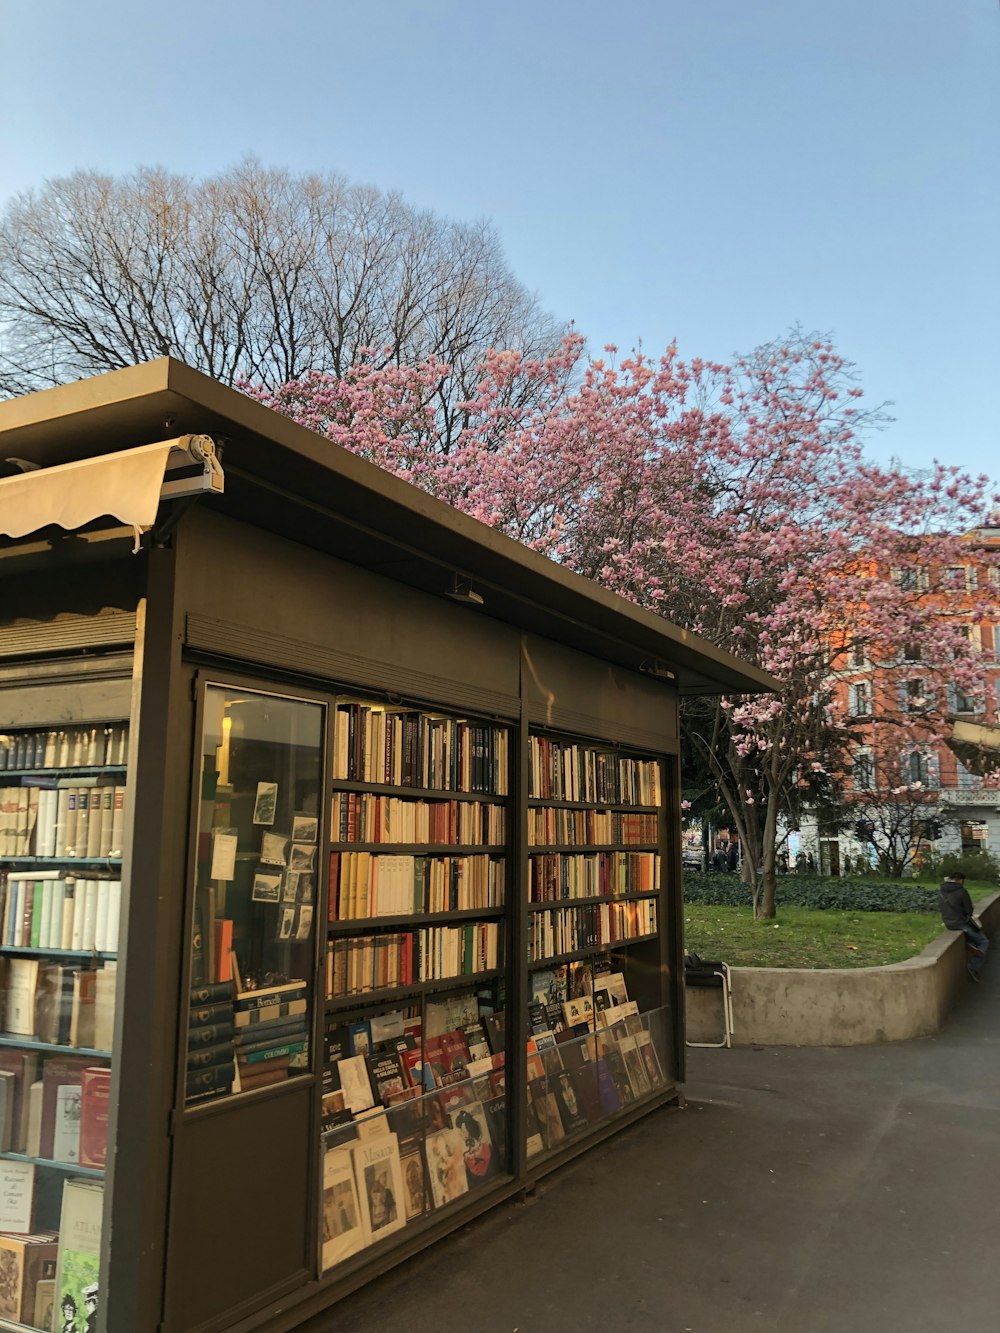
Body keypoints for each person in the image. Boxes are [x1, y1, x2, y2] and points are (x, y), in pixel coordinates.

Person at [939, 870, 988, 979]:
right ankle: (973, 966)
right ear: (960, 880)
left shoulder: (942, 891)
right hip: (961, 924)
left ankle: (969, 943)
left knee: (972, 939)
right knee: (984, 941)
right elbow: (969, 911)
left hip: (948, 923)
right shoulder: (961, 891)